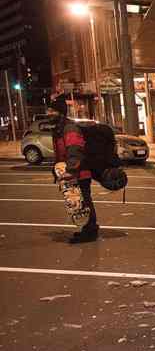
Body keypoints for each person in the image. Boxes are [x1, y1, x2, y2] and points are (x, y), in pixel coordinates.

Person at [49, 96, 99, 243]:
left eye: (52, 111)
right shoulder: (60, 128)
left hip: (79, 173)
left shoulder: (69, 128)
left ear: (61, 112)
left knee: (84, 202)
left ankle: (90, 231)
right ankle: (87, 229)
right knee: (80, 203)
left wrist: (70, 171)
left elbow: (75, 150)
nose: (49, 113)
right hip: (75, 172)